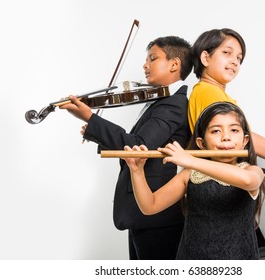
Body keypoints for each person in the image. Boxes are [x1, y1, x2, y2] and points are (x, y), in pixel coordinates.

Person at [59, 36, 193, 260]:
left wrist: (91, 119)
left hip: (157, 215)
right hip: (143, 213)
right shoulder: (163, 101)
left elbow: (138, 145)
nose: (145, 65)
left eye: (153, 58)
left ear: (174, 64)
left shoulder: (174, 104)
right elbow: (139, 142)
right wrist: (95, 132)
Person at [123, 102, 265, 259]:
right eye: (216, 131)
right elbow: (149, 206)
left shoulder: (251, 171)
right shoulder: (190, 174)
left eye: (234, 130)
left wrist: (190, 160)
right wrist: (137, 171)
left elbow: (247, 181)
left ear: (245, 140)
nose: (226, 137)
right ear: (201, 143)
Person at [188, 28, 265, 193]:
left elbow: (242, 145)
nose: (235, 62)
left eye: (239, 58)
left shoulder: (213, 94)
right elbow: (251, 140)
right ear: (205, 58)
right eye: (227, 53)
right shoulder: (208, 91)